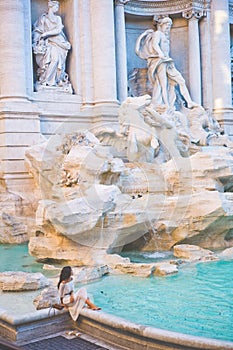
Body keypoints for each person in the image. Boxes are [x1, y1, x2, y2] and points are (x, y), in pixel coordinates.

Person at [135, 16, 197, 109]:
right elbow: (155, 44)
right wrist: (160, 53)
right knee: (163, 84)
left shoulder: (164, 36)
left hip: (168, 62)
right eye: (167, 27)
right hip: (160, 61)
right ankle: (167, 105)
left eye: (169, 27)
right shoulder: (158, 34)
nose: (168, 29)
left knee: (181, 81)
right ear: (161, 25)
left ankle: (189, 102)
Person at [32, 0, 71, 88]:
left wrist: (46, 34)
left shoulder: (58, 18)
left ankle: (54, 81)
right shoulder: (43, 19)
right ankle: (46, 81)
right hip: (48, 43)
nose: (57, 9)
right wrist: (38, 40)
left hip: (58, 42)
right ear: (51, 7)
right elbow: (38, 30)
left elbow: (58, 30)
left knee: (57, 61)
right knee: (54, 60)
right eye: (56, 7)